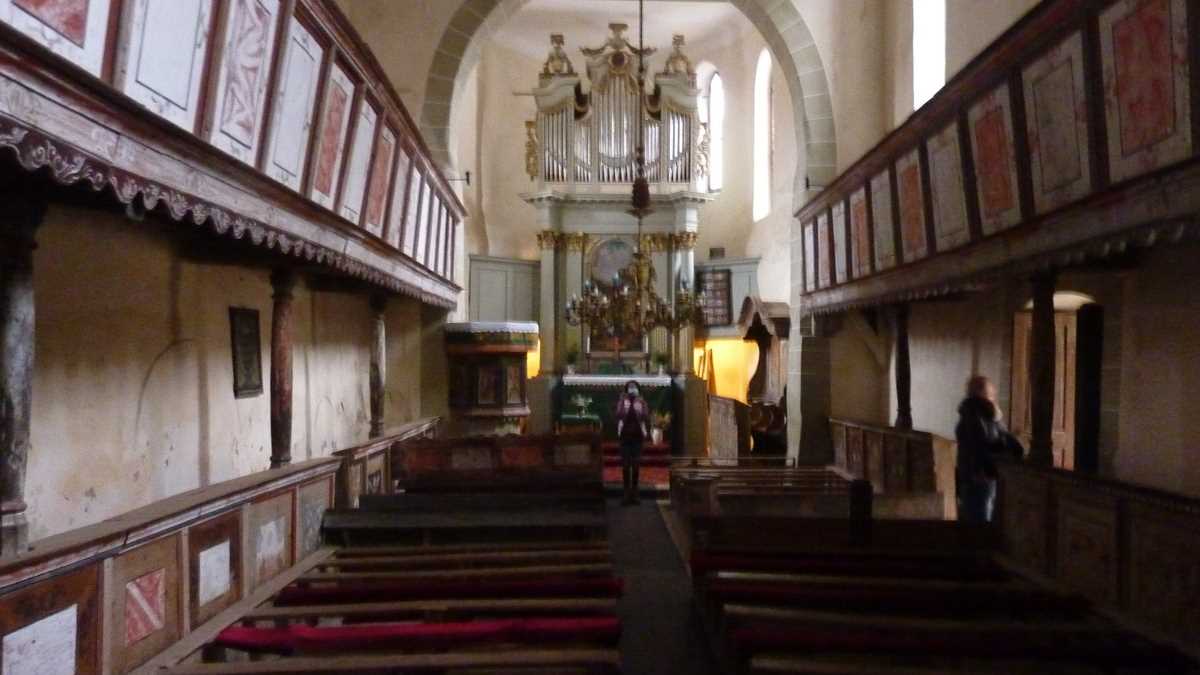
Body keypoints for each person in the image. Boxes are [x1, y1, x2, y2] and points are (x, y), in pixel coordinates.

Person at [954, 375, 1024, 523]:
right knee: (981, 517)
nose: (994, 399)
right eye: (991, 395)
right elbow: (981, 445)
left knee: (974, 514)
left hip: (973, 473)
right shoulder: (981, 415)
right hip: (982, 474)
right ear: (983, 395)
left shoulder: (969, 412)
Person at [615, 380, 649, 505]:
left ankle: (634, 492)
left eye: (634, 387)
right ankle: (625, 492)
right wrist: (626, 403)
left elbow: (646, 416)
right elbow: (618, 414)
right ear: (626, 389)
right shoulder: (622, 401)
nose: (632, 389)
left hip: (637, 436)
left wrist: (637, 405)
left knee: (635, 465)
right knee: (625, 465)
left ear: (638, 389)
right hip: (625, 436)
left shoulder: (642, 401)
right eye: (630, 387)